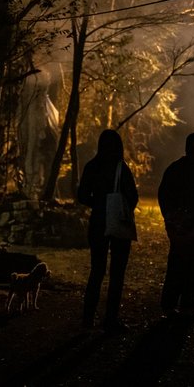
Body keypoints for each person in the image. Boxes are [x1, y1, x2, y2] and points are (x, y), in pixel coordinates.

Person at [77, 129, 139, 332]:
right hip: (118, 223)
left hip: (97, 222)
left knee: (97, 270)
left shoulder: (92, 166)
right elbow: (133, 197)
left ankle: (88, 319)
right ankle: (110, 319)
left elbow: (82, 195)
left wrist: (99, 203)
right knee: (117, 273)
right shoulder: (122, 168)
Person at [158, 132, 194, 321]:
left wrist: (170, 219)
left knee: (180, 264)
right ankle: (184, 306)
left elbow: (163, 196)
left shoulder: (175, 169)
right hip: (190, 225)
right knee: (191, 266)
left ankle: (172, 306)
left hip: (182, 225)